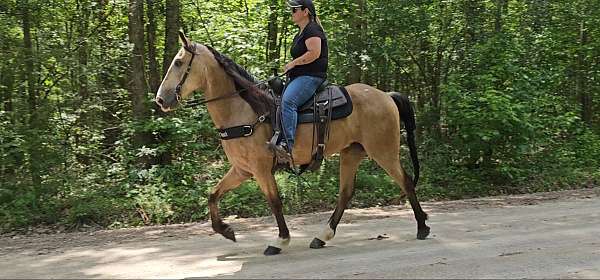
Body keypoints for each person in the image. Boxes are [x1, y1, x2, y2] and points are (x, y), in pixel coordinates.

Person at [276, 0, 328, 164]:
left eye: (294, 10)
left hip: (312, 76)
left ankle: (287, 145)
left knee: (289, 101)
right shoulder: (300, 32)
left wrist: (293, 63)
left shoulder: (312, 29)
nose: (292, 13)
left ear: (305, 12)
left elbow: (314, 53)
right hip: (299, 76)